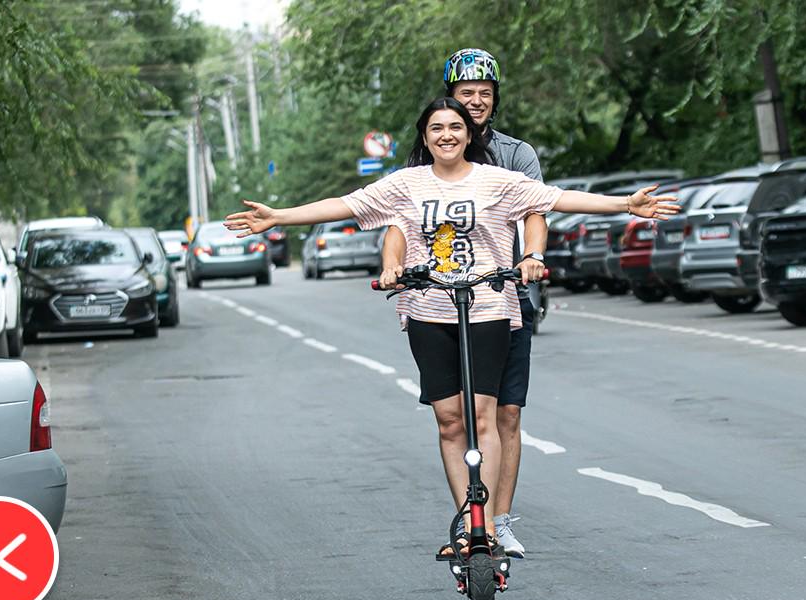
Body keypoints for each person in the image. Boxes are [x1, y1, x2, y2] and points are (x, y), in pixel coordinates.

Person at [224, 97, 677, 558]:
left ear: (469, 135)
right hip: (428, 313)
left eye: (455, 127)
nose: (447, 135)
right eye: (437, 127)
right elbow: (344, 205)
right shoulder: (405, 184)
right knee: (449, 422)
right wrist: (279, 215)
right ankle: (468, 522)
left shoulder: (497, 181)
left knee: (484, 418)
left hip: (487, 309)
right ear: (425, 137)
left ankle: (491, 528)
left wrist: (625, 204)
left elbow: (556, 199)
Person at [380, 48, 543, 558]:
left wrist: (533, 257)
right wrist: (394, 267)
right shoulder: (430, 152)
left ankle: (499, 520)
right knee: (454, 417)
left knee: (504, 416)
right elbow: (398, 222)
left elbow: (540, 209)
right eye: (465, 93)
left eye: (484, 95)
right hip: (439, 302)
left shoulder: (517, 155)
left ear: (495, 101)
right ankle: (469, 522)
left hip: (503, 297)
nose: (474, 103)